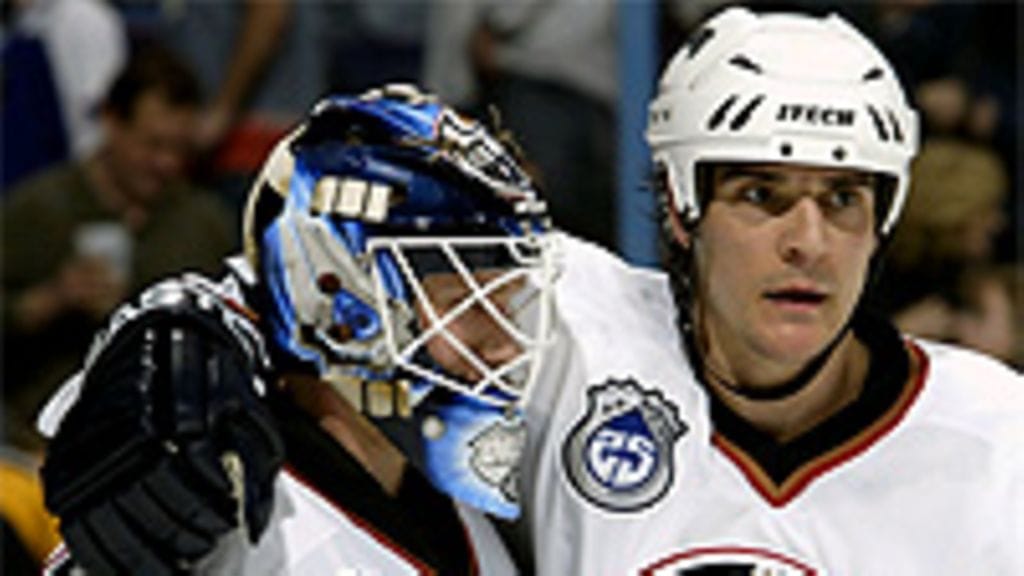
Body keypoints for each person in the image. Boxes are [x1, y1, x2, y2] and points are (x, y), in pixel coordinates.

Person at [510, 7, 1022, 574]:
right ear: (682, 209)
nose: (808, 242)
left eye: (842, 199)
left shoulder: (996, 442)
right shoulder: (567, 340)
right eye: (760, 195)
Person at [37, 84, 556, 575]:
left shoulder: (463, 500)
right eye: (465, 304)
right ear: (347, 306)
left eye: (503, 305)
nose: (506, 344)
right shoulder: (211, 511)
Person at [2, 43, 235, 455]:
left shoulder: (204, 223)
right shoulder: (37, 211)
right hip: (39, 448)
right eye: (152, 145)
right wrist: (47, 301)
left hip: (165, 452)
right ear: (111, 121)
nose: (165, 164)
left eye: (179, 149)